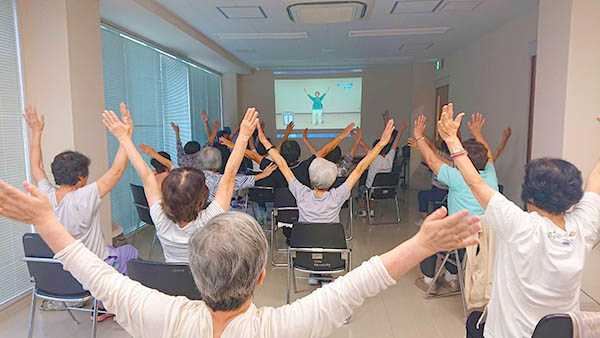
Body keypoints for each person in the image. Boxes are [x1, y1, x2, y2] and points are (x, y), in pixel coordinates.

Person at [0, 173, 482, 338]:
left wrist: (45, 220)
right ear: (257, 279)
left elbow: (94, 273)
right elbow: (360, 282)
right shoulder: (279, 327)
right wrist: (421, 245)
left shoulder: (159, 313)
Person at [437, 104, 600, 338]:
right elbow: (597, 176)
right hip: (561, 333)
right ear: (574, 195)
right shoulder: (584, 226)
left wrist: (452, 140)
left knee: (474, 320)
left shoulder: (520, 226)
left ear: (529, 194)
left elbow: (474, 183)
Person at [24, 104, 139, 320]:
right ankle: (111, 306)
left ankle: (105, 302)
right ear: (81, 177)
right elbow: (117, 170)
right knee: (131, 253)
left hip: (63, 274)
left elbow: (36, 166)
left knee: (108, 248)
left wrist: (36, 132)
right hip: (92, 272)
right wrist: (125, 137)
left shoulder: (46, 195)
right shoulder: (84, 197)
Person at [103, 107, 258, 263]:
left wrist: (124, 138)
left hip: (173, 282)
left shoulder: (161, 220)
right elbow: (229, 177)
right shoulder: (209, 220)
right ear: (202, 198)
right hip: (205, 283)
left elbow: (147, 176)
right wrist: (243, 136)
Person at [412, 113, 499, 295]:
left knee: (430, 231)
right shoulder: (490, 174)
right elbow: (489, 154)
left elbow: (431, 160)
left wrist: (419, 136)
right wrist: (477, 133)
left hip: (461, 236)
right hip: (486, 238)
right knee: (459, 230)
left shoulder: (458, 177)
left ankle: (429, 280)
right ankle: (452, 279)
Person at [258, 119, 397, 225]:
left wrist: (264, 140)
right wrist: (382, 144)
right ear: (332, 181)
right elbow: (360, 169)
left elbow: (282, 165)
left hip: (303, 249)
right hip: (332, 251)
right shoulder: (338, 196)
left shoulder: (301, 193)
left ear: (311, 178)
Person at [140, 143, 277, 204]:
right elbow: (239, 181)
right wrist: (263, 175)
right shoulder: (221, 179)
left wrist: (153, 154)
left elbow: (171, 166)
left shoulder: (190, 176)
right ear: (219, 162)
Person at [358, 121, 408, 217]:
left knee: (362, 188)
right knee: (375, 189)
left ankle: (364, 211)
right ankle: (371, 211)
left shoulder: (373, 157)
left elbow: (363, 146)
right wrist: (401, 130)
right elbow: (395, 142)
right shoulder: (390, 156)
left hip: (371, 190)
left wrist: (356, 137)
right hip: (387, 189)